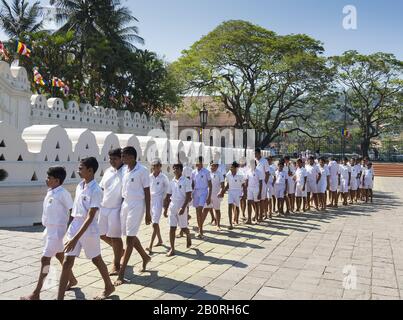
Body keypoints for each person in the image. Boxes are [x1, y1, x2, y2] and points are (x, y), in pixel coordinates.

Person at [58, 158, 114, 300]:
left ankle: (109, 286)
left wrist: (75, 238)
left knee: (96, 259)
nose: (78, 170)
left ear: (90, 170)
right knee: (67, 262)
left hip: (89, 229)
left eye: (81, 168)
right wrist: (69, 227)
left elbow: (90, 217)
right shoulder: (80, 185)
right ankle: (61, 296)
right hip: (75, 225)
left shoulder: (96, 190)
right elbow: (75, 210)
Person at [21, 167, 77, 300]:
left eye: (49, 178)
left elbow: (72, 211)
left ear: (57, 180)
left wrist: (69, 229)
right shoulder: (50, 191)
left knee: (45, 260)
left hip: (57, 231)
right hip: (49, 230)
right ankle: (72, 280)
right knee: (59, 255)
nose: (46, 180)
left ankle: (36, 293)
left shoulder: (63, 193)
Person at [115, 147, 151, 286]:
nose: (122, 159)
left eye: (124, 156)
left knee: (129, 239)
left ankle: (121, 274)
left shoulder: (142, 170)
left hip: (137, 205)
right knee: (129, 235)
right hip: (126, 204)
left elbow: (147, 192)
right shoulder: (124, 169)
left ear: (132, 157)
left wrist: (148, 213)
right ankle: (145, 256)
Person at [98, 148, 125, 276]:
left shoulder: (126, 172)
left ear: (121, 158)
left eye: (115, 158)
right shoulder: (108, 171)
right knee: (101, 234)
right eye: (110, 159)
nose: (112, 161)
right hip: (104, 207)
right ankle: (120, 251)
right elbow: (101, 188)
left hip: (117, 208)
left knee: (115, 237)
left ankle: (116, 264)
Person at [163, 163, 192, 257]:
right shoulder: (172, 182)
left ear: (181, 170)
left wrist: (183, 208)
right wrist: (165, 209)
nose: (175, 170)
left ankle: (188, 234)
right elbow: (168, 196)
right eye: (174, 169)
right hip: (173, 206)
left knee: (183, 228)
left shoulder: (186, 181)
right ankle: (172, 249)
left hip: (181, 206)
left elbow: (188, 196)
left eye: (177, 169)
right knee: (172, 228)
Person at [147, 158, 170, 254]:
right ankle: (160, 240)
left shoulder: (163, 177)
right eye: (153, 166)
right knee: (154, 223)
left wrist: (166, 203)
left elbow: (168, 191)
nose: (155, 168)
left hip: (159, 201)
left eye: (157, 166)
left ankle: (150, 246)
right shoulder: (149, 177)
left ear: (160, 166)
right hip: (151, 201)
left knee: (155, 223)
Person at [219, 161, 246, 230]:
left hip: (238, 191)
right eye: (230, 167)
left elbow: (244, 185)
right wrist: (222, 192)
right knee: (230, 206)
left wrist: (244, 194)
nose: (230, 168)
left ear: (236, 168)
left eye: (232, 167)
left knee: (237, 207)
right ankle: (230, 223)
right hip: (230, 192)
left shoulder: (240, 175)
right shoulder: (228, 174)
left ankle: (236, 219)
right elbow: (227, 185)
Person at [191, 156, 212, 239]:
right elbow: (192, 184)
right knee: (197, 211)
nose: (196, 163)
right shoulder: (193, 172)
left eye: (198, 162)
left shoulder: (206, 172)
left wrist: (209, 196)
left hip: (203, 192)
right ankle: (200, 229)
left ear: (201, 162)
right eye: (196, 161)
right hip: (196, 192)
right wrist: (190, 194)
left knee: (200, 209)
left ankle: (201, 230)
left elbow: (210, 185)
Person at [206, 160, 225, 230]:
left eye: (214, 166)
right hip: (208, 194)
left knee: (217, 209)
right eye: (211, 165)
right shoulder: (207, 173)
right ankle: (212, 219)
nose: (212, 167)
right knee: (207, 208)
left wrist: (221, 192)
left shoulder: (219, 174)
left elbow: (222, 185)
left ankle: (218, 225)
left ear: (217, 167)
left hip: (216, 194)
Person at [245, 159, 263, 224]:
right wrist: (245, 190)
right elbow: (246, 181)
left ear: (255, 164)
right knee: (249, 203)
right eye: (251, 163)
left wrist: (260, 193)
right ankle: (249, 219)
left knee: (256, 204)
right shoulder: (248, 171)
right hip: (249, 189)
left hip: (256, 189)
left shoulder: (259, 172)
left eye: (253, 163)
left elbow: (261, 183)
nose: (252, 165)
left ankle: (257, 218)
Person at [255, 148, 270, 221]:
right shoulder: (254, 161)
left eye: (256, 153)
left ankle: (261, 216)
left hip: (262, 183)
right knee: (255, 200)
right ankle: (256, 215)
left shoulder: (264, 161)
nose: (255, 155)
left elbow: (267, 173)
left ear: (259, 153)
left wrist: (265, 183)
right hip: (254, 183)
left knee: (261, 200)